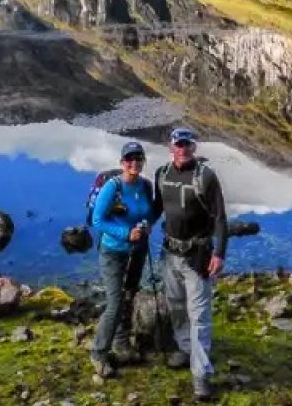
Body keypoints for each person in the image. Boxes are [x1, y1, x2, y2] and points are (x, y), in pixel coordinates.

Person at [153, 127, 227, 403]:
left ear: (194, 148)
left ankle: (201, 376)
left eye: (187, 145)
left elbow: (220, 219)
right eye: (178, 144)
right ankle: (185, 349)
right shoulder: (161, 174)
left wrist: (219, 253)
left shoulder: (205, 177)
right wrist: (136, 223)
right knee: (176, 306)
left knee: (200, 316)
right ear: (170, 146)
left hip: (198, 257)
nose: (182, 149)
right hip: (169, 253)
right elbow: (157, 208)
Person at [90, 140, 154, 377]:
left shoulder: (145, 186)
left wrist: (147, 226)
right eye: (130, 159)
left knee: (129, 296)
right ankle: (98, 353)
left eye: (139, 159)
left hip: (137, 250)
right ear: (122, 163)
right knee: (115, 302)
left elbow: (148, 213)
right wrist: (126, 233)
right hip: (113, 251)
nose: (134, 163)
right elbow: (98, 221)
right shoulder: (112, 188)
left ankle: (122, 343)